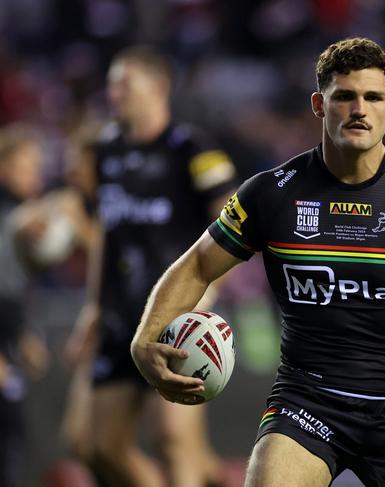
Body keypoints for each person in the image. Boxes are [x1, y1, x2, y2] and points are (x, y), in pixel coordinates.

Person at [131, 37, 385, 487]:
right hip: (307, 404)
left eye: (373, 97)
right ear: (318, 105)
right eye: (344, 96)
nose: (359, 109)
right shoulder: (271, 193)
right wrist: (145, 338)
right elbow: (196, 267)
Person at [64, 46, 236, 487]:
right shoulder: (105, 150)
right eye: (112, 84)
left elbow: (233, 226)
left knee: (172, 439)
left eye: (124, 84)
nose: (113, 93)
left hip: (176, 314)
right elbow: (107, 229)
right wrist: (94, 306)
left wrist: (209, 292)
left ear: (158, 87)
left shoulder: (192, 149)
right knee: (99, 447)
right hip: (121, 313)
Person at [0, 124, 51, 487]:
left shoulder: (21, 216)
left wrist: (25, 333)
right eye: (26, 165)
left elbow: (15, 288)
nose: (36, 174)